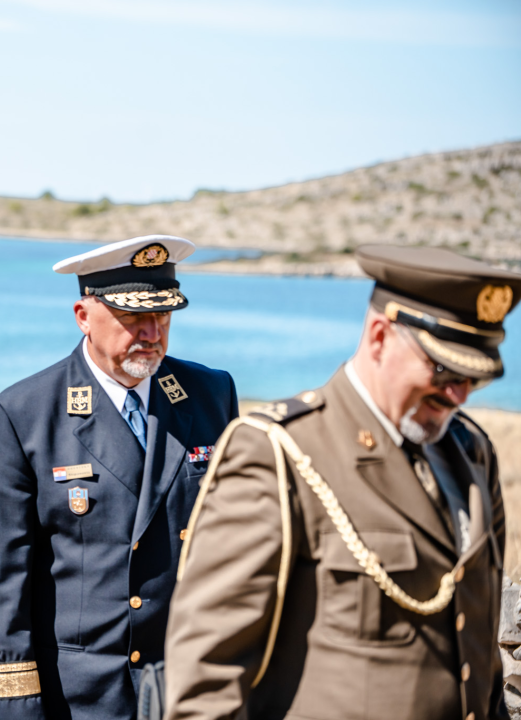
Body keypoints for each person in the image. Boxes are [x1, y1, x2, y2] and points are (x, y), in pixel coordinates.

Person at [165, 245, 520, 720]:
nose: (458, 395)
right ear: (379, 337)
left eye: (473, 378)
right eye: (443, 369)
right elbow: (206, 686)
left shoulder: (471, 452)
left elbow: (479, 664)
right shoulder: (277, 453)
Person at [0, 235, 240, 720]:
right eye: (133, 317)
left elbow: (234, 539)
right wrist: (17, 706)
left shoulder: (210, 394)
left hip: (191, 682)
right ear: (83, 316)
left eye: (163, 316)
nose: (152, 333)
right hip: (82, 694)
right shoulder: (23, 414)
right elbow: (1, 578)